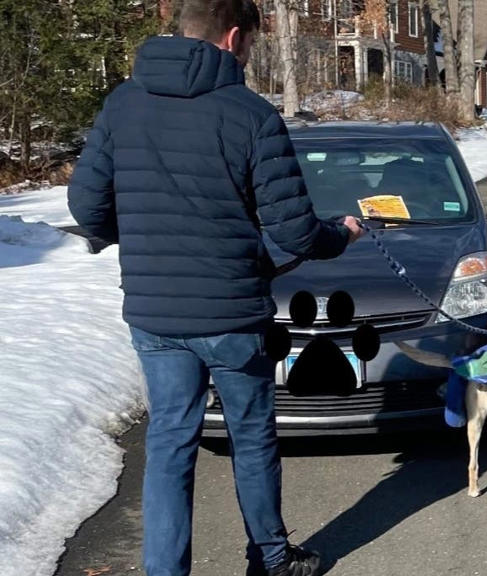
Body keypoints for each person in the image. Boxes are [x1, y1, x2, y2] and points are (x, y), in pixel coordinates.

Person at [67, 1, 363, 575]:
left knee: (170, 447)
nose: (249, 55)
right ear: (233, 37)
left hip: (157, 316)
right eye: (251, 44)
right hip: (232, 312)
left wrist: (142, 240)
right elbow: (295, 231)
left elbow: (86, 207)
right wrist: (341, 236)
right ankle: (272, 560)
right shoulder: (249, 113)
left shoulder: (123, 104)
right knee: (251, 440)